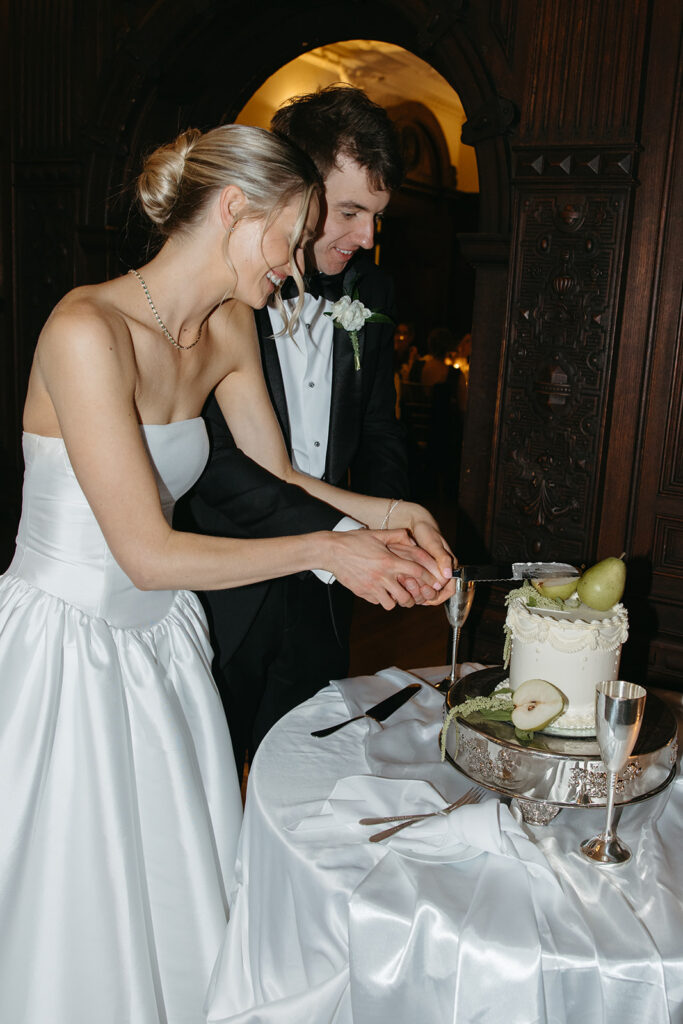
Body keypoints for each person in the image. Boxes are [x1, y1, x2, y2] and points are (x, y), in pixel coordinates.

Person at [0, 124, 455, 1024]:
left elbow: (278, 476)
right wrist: (330, 550)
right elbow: (146, 550)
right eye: (289, 239)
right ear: (234, 210)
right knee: (69, 897)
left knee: (173, 890)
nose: (291, 268)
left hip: (158, 646)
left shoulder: (230, 325)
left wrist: (383, 514)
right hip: (64, 649)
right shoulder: (84, 329)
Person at [180, 87, 422, 769]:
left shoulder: (370, 293)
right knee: (205, 778)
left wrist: (387, 536)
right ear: (295, 194)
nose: (366, 237)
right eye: (348, 212)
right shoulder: (220, 296)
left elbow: (380, 432)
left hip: (325, 598)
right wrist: (342, 539)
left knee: (308, 774)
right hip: (224, 588)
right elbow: (215, 460)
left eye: (376, 216)